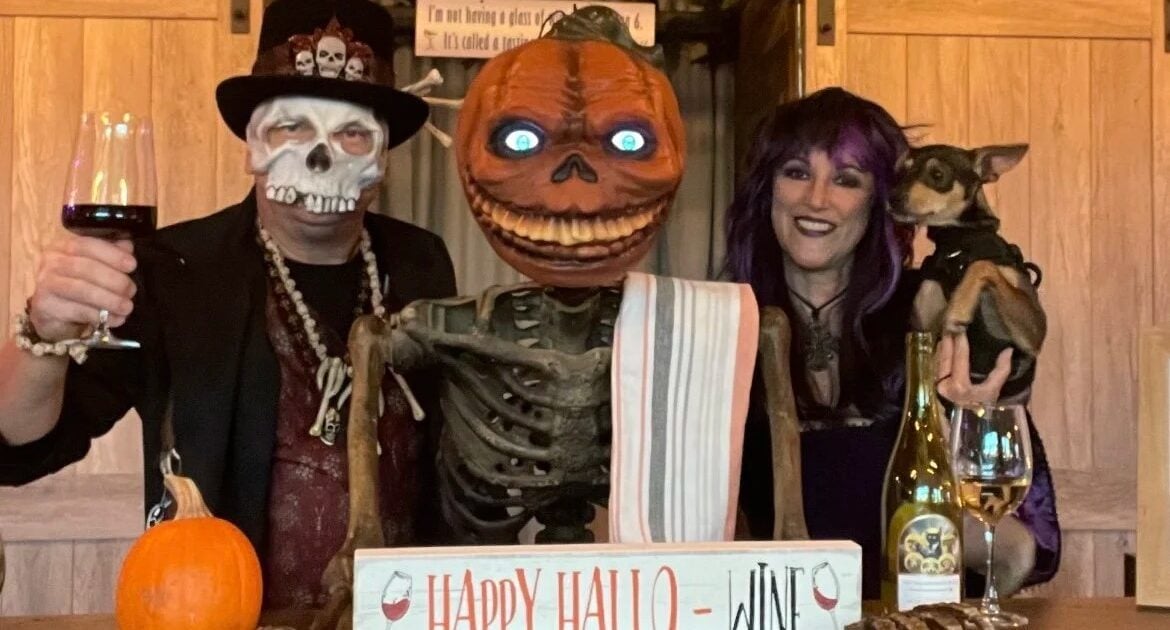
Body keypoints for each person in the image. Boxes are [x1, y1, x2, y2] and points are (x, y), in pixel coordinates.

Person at [0, 0, 456, 609]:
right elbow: (20, 447)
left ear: (381, 162)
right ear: (251, 146)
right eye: (290, 127)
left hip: (410, 610)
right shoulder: (174, 270)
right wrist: (44, 334)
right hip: (215, 606)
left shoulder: (422, 262)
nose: (319, 155)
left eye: (352, 132)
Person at [725, 87, 1061, 599]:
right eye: (796, 172)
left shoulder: (934, 313)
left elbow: (1014, 551)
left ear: (883, 200)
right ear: (766, 189)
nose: (817, 199)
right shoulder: (719, 327)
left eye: (846, 180)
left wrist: (969, 438)